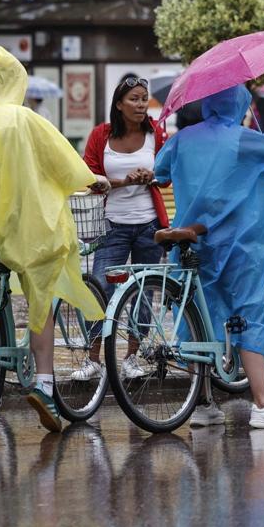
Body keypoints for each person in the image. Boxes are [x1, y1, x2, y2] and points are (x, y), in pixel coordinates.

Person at [0, 47, 109, 433]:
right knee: (41, 291)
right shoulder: (23, 118)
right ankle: (44, 384)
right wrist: (95, 181)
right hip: (16, 226)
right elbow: (63, 163)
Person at [154, 84, 264, 429]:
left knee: (199, 317)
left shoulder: (182, 139)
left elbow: (160, 171)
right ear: (240, 103)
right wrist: (259, 131)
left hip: (193, 242)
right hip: (240, 244)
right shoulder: (244, 139)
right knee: (248, 312)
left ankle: (204, 403)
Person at [75, 74, 170, 381]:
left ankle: (131, 357)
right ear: (119, 104)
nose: (141, 104)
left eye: (144, 98)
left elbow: (168, 174)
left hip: (149, 225)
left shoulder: (156, 133)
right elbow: (88, 179)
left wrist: (151, 177)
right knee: (100, 286)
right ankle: (93, 359)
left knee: (143, 293)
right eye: (134, 99)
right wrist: (123, 181)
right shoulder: (101, 135)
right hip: (113, 225)